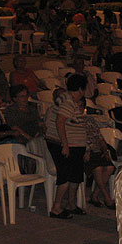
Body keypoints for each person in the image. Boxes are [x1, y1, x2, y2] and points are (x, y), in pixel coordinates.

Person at [46, 74, 88, 219]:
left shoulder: (71, 101)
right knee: (64, 176)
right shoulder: (67, 101)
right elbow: (60, 122)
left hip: (75, 145)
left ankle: (71, 204)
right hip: (63, 144)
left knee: (75, 176)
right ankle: (56, 208)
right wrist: (65, 145)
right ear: (81, 89)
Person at [81, 99, 115, 209]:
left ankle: (94, 195)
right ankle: (107, 198)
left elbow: (100, 138)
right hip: (85, 151)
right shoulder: (73, 121)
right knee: (98, 168)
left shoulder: (90, 120)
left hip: (97, 150)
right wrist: (86, 151)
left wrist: (105, 151)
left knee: (109, 167)